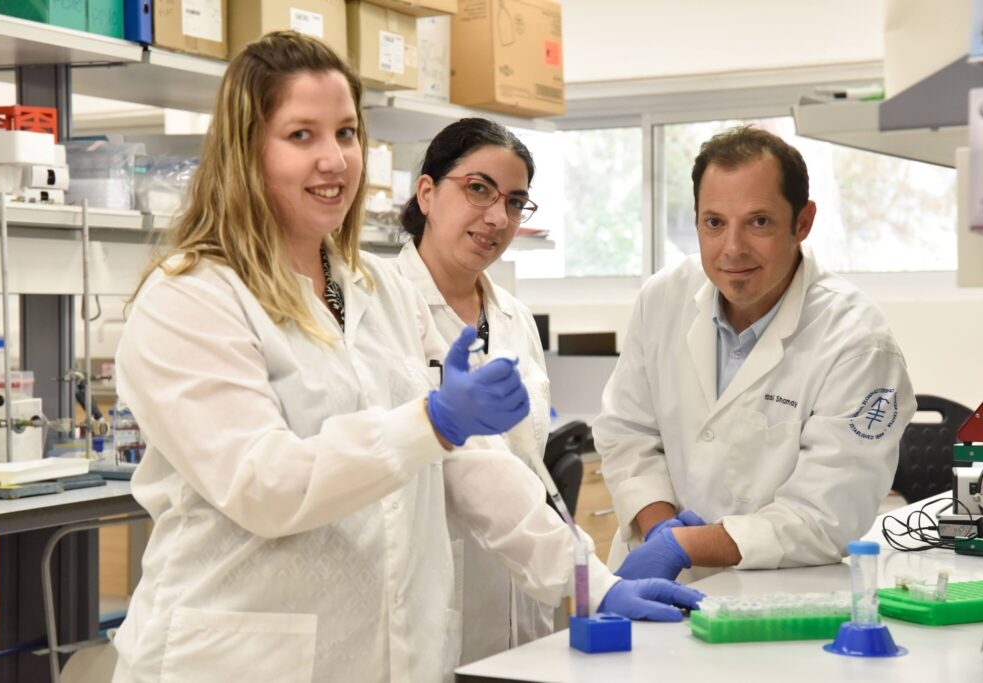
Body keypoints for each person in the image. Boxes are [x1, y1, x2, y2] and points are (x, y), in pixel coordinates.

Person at [111, 32, 702, 682]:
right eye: (301, 135)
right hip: (239, 657)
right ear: (246, 151)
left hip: (388, 652)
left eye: (346, 132)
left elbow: (472, 463)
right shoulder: (192, 296)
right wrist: (433, 422)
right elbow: (263, 484)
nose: (334, 160)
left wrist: (589, 577)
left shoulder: (377, 290)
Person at [595, 125, 915, 583]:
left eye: (759, 221)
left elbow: (824, 516)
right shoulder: (663, 298)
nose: (733, 248)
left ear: (802, 222)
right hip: (652, 585)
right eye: (714, 222)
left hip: (771, 593)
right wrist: (660, 527)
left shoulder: (858, 343)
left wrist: (684, 545)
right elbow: (626, 432)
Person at [396, 118, 554, 662]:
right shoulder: (384, 310)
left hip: (523, 595)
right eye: (479, 189)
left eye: (515, 202)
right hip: (431, 596)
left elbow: (528, 465)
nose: (497, 217)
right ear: (427, 193)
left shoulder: (515, 317)